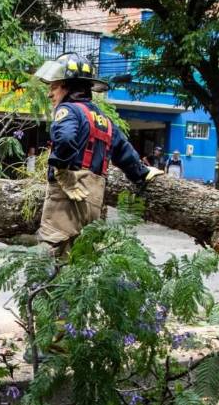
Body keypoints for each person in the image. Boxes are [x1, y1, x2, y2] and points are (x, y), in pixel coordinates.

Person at [33, 52, 163, 255]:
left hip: (67, 196)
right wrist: (142, 172)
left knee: (50, 256)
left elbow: (66, 139)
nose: (50, 94)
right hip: (93, 200)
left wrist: (61, 171)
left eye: (54, 87)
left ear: (69, 86)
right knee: (80, 259)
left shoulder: (68, 110)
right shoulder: (103, 119)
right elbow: (123, 150)